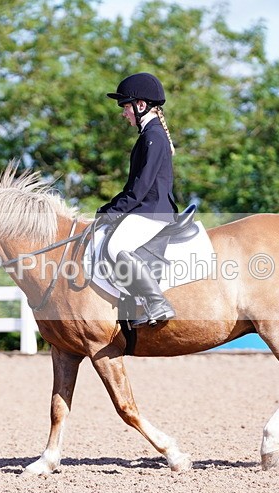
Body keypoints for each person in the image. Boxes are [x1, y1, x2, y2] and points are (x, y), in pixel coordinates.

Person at [98, 72, 179, 328]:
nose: (124, 113)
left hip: (152, 211)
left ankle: (157, 303)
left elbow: (140, 188)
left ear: (140, 105)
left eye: (126, 107)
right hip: (147, 209)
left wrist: (111, 211)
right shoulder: (149, 135)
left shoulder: (152, 137)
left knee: (114, 247)